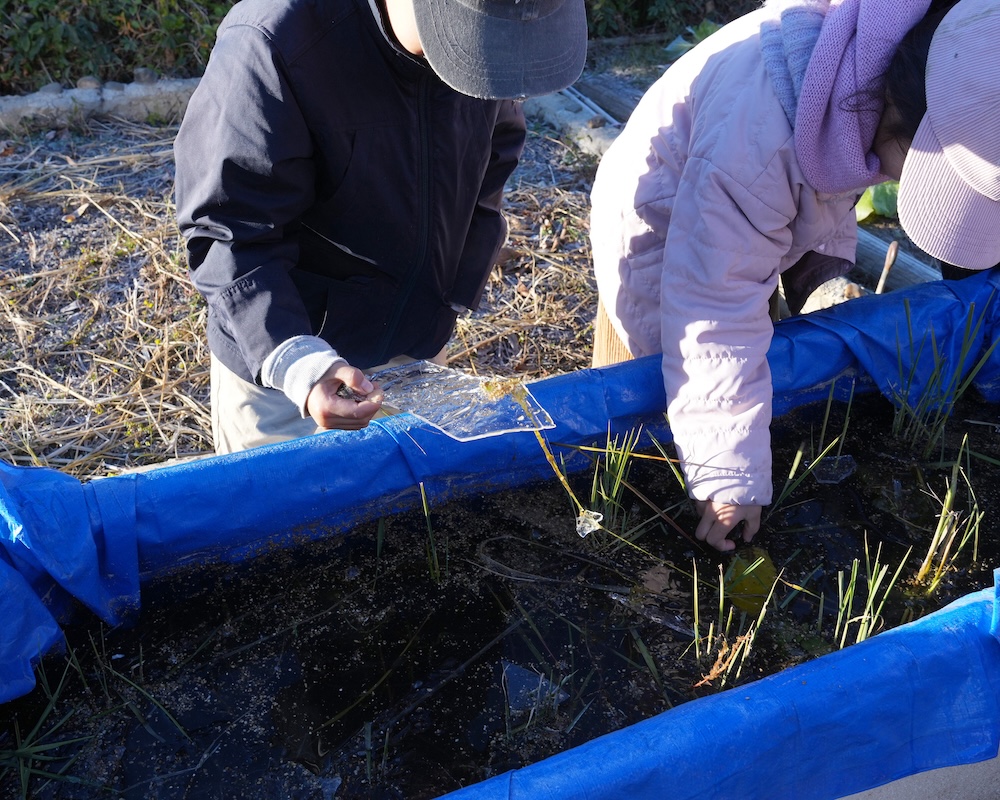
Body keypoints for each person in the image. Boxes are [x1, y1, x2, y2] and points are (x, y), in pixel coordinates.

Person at [588, 0, 1000, 551]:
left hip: (728, 221)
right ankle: (627, 512)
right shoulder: (760, 146)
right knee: (646, 394)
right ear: (899, 113)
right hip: (660, 226)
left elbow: (827, 175)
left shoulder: (883, 59)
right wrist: (728, 474)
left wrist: (818, 260)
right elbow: (712, 312)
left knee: (743, 350)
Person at [173, 0, 587, 454]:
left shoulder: (495, 48)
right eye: (476, 41)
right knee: (292, 498)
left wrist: (451, 293)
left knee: (414, 493)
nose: (494, 55)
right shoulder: (276, 42)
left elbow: (495, 153)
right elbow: (229, 226)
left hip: (417, 351)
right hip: (288, 373)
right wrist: (297, 361)